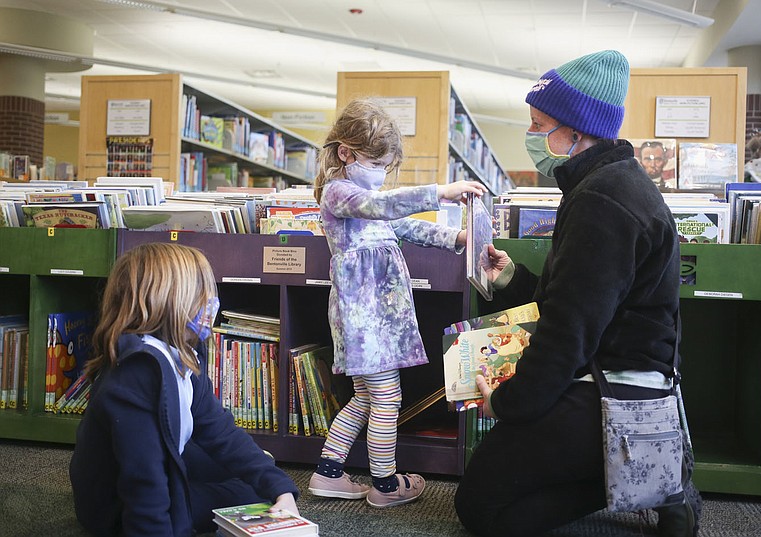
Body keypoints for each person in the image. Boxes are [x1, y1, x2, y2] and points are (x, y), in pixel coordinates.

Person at [453, 50, 701, 537]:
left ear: (575, 132)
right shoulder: (604, 184)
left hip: (612, 390)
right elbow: (573, 300)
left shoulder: (603, 201)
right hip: (608, 374)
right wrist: (510, 280)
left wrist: (508, 402)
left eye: (538, 124)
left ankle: (655, 483)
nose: (532, 136)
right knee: (494, 486)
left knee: (482, 508)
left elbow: (570, 331)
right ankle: (642, 475)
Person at [307, 98, 487, 508]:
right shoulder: (339, 193)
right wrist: (439, 192)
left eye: (385, 166)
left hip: (376, 319)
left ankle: (328, 472)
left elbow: (403, 224)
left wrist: (459, 239)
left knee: (367, 396)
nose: (379, 174)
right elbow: (381, 206)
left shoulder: (362, 198)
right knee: (388, 398)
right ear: (346, 154)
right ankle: (385, 485)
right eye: (376, 163)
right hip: (364, 318)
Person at [70, 243, 300, 536]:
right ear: (168, 300)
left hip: (158, 472)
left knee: (258, 472)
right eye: (201, 294)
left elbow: (220, 432)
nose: (212, 304)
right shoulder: (139, 371)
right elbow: (144, 481)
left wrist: (281, 490)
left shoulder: (182, 353)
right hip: (117, 509)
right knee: (249, 494)